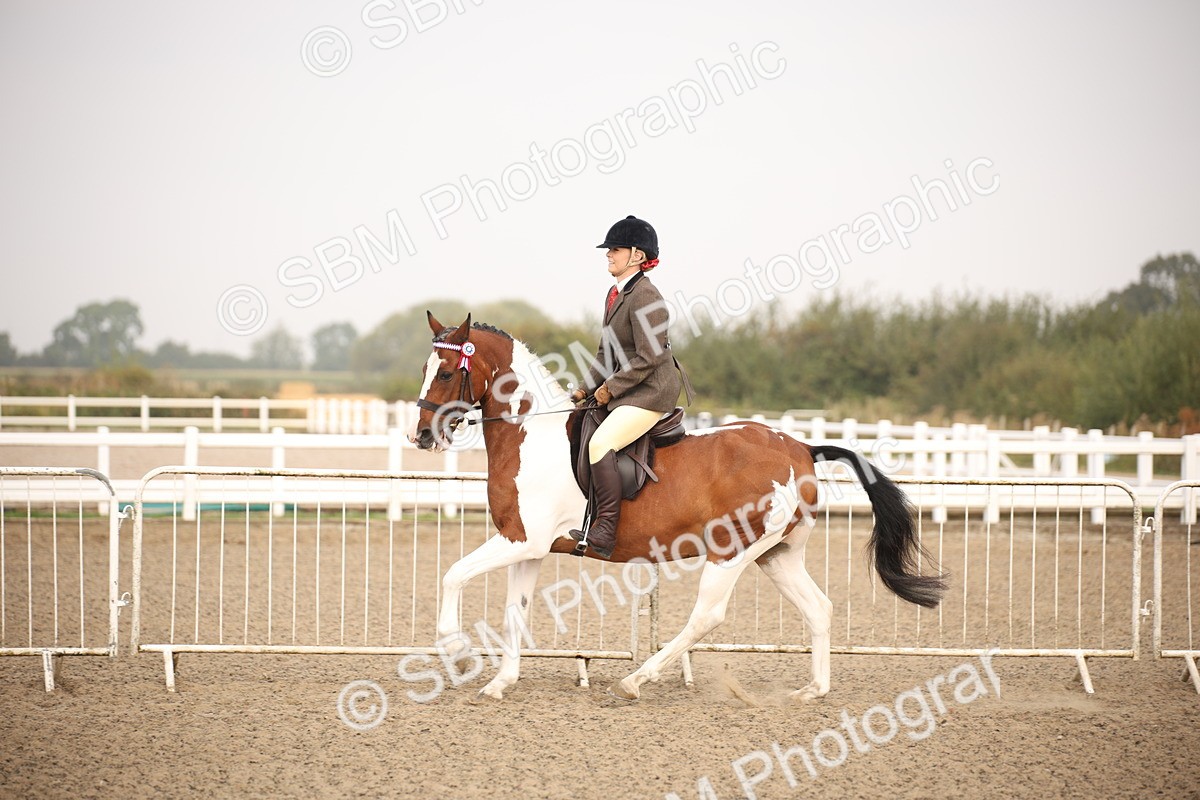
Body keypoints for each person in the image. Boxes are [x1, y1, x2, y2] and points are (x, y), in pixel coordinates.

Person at [569, 215, 691, 558]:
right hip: (631, 388)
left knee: (601, 443)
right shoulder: (616, 294)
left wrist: (610, 388)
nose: (608, 254)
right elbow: (605, 353)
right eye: (609, 249)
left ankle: (605, 528)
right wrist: (583, 389)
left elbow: (650, 356)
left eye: (616, 249)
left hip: (651, 392)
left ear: (637, 255)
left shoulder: (646, 296)